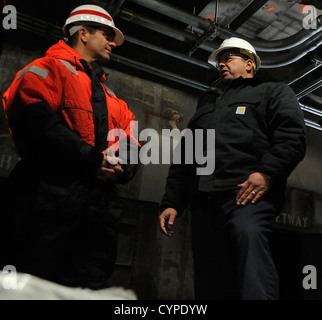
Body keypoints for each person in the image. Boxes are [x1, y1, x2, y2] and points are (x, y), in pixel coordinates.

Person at [1, 4, 140, 289]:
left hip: (97, 214)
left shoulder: (114, 99)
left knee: (86, 286)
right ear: (84, 33)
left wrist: (120, 168)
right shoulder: (45, 69)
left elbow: (132, 145)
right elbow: (35, 123)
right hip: (47, 203)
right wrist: (91, 159)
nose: (113, 42)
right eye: (106, 34)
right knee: (33, 286)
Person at [159, 37, 307, 300]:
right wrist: (172, 201)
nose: (221, 64)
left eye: (228, 58)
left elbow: (292, 137)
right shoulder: (206, 111)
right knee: (209, 275)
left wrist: (267, 173)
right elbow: (185, 159)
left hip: (247, 195)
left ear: (249, 64)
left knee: (249, 244)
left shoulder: (272, 92)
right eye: (219, 61)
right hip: (205, 203)